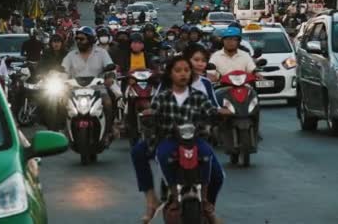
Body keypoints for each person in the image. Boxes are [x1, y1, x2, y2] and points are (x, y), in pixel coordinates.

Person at [132, 56, 229, 223]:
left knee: (207, 155)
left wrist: (221, 113)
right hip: (170, 139)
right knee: (163, 156)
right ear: (170, 74)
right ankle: (172, 196)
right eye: (178, 71)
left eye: (186, 70)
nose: (183, 74)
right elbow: (152, 116)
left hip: (195, 139)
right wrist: (149, 116)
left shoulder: (198, 96)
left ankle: (206, 202)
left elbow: (211, 112)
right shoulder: (163, 97)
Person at [62, 27, 116, 143]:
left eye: (82, 39)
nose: (79, 41)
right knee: (60, 101)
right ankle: (63, 131)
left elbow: (110, 67)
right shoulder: (71, 55)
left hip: (97, 88)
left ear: (91, 40)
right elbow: (63, 70)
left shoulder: (101, 53)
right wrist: (61, 81)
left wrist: (110, 77)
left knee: (108, 102)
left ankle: (108, 131)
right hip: (75, 89)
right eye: (77, 39)